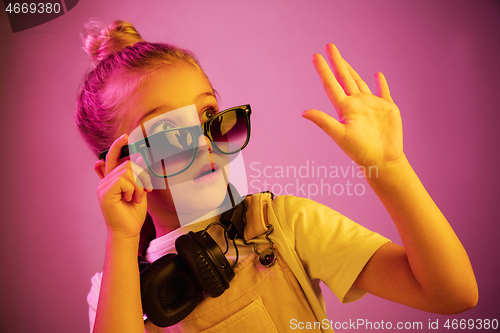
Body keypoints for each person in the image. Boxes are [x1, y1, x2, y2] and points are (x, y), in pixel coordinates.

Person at [78, 20, 478, 333]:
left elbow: (452, 294)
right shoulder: (116, 289)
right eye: (168, 134)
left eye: (208, 116)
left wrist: (391, 169)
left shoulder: (285, 224)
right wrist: (122, 238)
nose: (204, 145)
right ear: (114, 170)